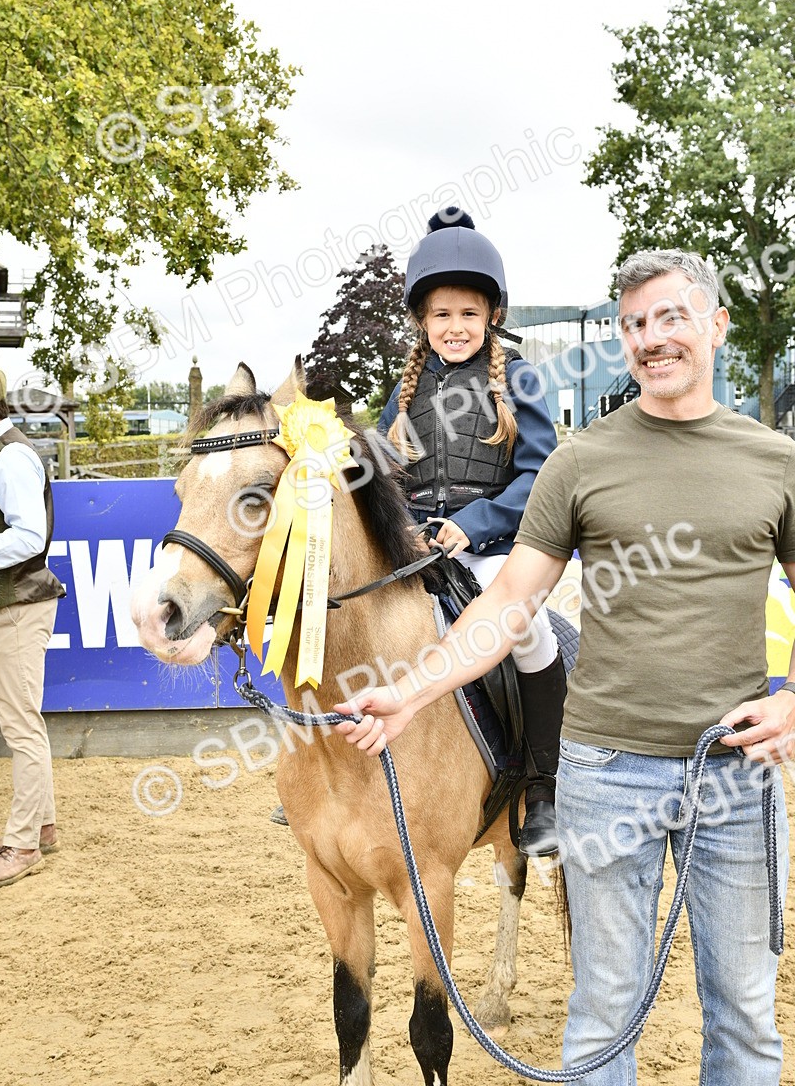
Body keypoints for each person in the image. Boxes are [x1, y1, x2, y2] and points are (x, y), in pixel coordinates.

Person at [336, 249, 795, 1084]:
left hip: (734, 778)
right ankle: (535, 784)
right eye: (633, 325)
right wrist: (413, 690)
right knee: (601, 1016)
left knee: (746, 1019)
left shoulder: (777, 461)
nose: (651, 339)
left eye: (671, 317)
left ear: (717, 326)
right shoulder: (582, 461)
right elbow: (510, 598)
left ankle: (527, 774)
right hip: (607, 771)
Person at [377, 206, 565, 857]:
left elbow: (539, 478)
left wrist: (470, 524)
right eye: (441, 315)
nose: (454, 328)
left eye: (467, 314)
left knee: (529, 632)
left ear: (492, 316)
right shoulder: (401, 395)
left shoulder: (521, 379)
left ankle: (542, 787)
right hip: (413, 556)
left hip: (490, 554)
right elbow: (380, 483)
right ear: (421, 321)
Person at [0, 368, 65, 887]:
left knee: (21, 725)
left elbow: (28, 536)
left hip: (19, 606)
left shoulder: (10, 457)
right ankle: (41, 827)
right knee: (22, 721)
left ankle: (21, 845)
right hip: (12, 602)